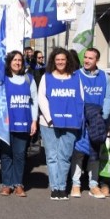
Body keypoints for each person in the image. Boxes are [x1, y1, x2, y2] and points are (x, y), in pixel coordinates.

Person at [38, 47, 84, 200]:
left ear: (68, 61)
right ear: (53, 61)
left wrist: (77, 118)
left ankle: (62, 187)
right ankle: (54, 188)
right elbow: (41, 98)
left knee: (64, 156)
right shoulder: (46, 77)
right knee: (52, 156)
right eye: (57, 59)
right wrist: (50, 118)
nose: (60, 62)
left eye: (63, 59)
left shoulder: (76, 77)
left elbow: (81, 99)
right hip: (49, 123)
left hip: (70, 123)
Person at [0, 50, 38, 197]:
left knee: (19, 155)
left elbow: (34, 101)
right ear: (9, 62)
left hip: (23, 123)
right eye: (14, 60)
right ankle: (7, 185)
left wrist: (34, 121)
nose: (17, 63)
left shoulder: (29, 79)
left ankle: (18, 184)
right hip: (6, 124)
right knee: (6, 155)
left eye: (20, 60)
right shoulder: (3, 79)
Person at [72, 48, 110, 198]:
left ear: (97, 60)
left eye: (91, 58)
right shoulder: (76, 75)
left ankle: (93, 185)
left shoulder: (104, 77)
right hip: (81, 121)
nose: (87, 60)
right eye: (86, 57)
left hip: (97, 120)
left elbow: (108, 98)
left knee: (95, 153)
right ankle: (76, 184)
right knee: (78, 153)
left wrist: (103, 116)